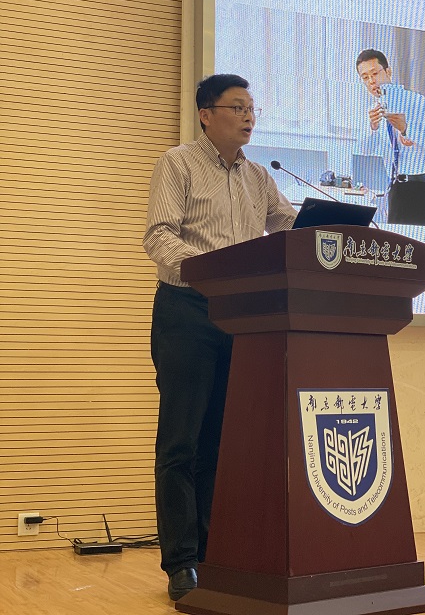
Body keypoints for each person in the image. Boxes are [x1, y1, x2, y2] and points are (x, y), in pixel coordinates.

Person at [143, 74, 297, 601]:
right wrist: (216, 269)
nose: (249, 116)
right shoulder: (178, 164)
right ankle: (181, 562)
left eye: (252, 107)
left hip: (241, 318)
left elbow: (287, 225)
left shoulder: (258, 177)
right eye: (238, 107)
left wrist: (331, 227)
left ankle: (214, 555)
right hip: (187, 310)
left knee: (221, 442)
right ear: (206, 114)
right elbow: (159, 237)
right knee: (181, 441)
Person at [356, 49, 425, 227]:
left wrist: (406, 129)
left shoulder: (416, 101)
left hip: (423, 189)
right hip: (396, 189)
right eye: (365, 77)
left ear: (388, 72)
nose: (371, 81)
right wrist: (372, 128)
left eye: (375, 73)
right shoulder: (373, 111)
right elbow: (364, 150)